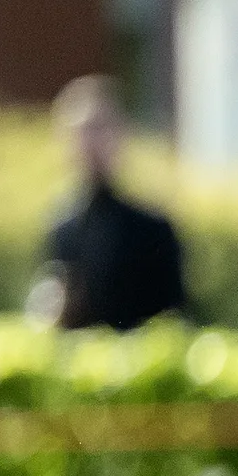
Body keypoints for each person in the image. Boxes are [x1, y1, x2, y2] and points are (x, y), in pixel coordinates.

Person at [32, 76, 185, 331]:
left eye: (101, 130)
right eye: (83, 132)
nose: (91, 144)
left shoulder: (153, 229)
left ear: (120, 136)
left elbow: (175, 316)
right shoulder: (61, 227)